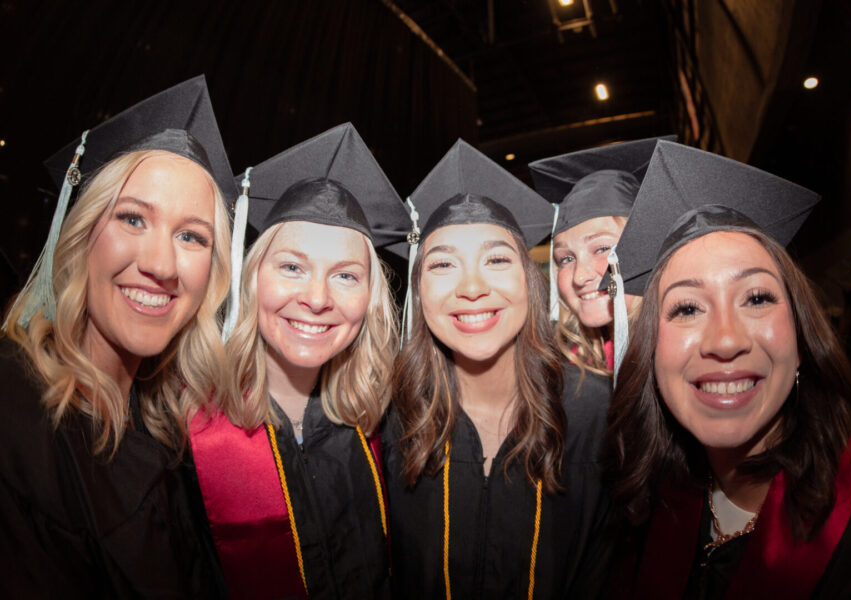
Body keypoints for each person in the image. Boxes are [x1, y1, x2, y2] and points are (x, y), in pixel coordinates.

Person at [605, 140, 851, 599]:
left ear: (800, 341)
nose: (726, 339)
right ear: (651, 353)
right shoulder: (649, 495)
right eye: (686, 308)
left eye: (757, 298)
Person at [0, 76, 234, 597]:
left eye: (192, 236)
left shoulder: (164, 426)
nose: (160, 265)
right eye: (132, 218)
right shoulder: (17, 424)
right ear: (81, 234)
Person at [189, 123, 410, 599]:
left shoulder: (389, 425)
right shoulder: (183, 427)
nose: (316, 298)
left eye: (346, 276)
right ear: (253, 279)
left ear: (370, 299)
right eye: (292, 267)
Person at [385, 140, 612, 599]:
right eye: (444, 263)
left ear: (530, 284)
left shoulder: (594, 414)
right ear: (419, 289)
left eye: (497, 259)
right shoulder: (389, 417)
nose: (472, 286)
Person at [528, 137, 670, 376]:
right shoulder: (581, 366)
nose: (580, 276)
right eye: (566, 259)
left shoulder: (677, 356)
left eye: (603, 249)